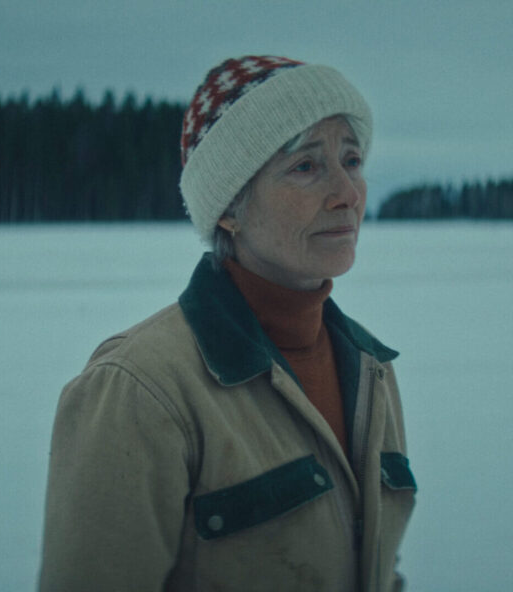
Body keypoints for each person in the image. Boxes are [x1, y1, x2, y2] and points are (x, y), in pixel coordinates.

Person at [39, 55, 416, 591]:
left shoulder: (371, 369)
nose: (348, 193)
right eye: (306, 166)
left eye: (351, 160)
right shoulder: (141, 390)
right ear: (228, 208)